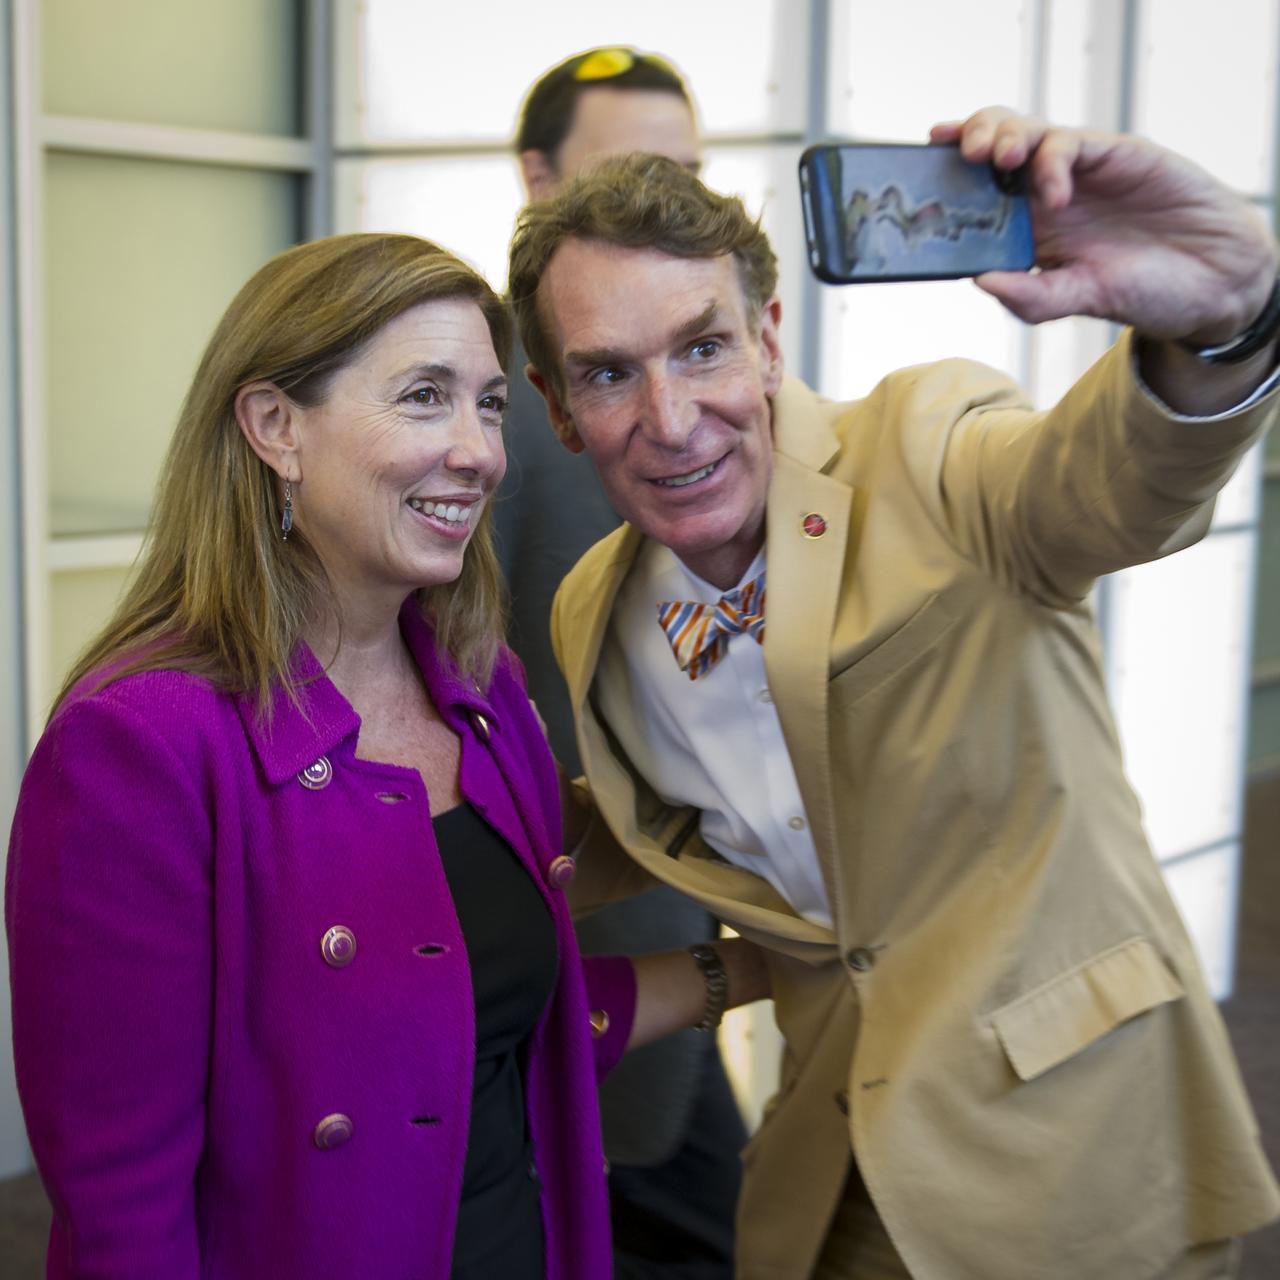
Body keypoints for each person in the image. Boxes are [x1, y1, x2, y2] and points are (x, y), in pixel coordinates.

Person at [507, 107, 1280, 1280]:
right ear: (557, 408)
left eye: (701, 347)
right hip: (833, 1152)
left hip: (1077, 1146)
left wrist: (1224, 329)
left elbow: (1101, 488)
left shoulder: (925, 445)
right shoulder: (590, 610)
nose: (669, 420)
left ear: (768, 340)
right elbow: (661, 825)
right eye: (609, 374)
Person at [4, 232, 770, 1279]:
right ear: (275, 426)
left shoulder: (479, 684)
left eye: (490, 403)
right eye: (423, 396)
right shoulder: (137, 746)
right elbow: (120, 1209)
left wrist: (763, 955)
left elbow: (481, 1027)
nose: (478, 450)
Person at [497, 47, 747, 1278]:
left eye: (685, 175)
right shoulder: (473, 398)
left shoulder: (719, 384)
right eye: (628, 170)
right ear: (536, 179)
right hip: (546, 908)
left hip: (687, 894)